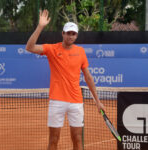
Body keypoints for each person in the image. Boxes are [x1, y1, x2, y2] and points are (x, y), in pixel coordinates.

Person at [26, 9, 104, 150]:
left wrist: (98, 101)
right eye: (68, 33)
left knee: (78, 140)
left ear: (76, 36)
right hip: (57, 101)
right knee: (53, 140)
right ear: (63, 34)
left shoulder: (80, 51)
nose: (71, 36)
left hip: (76, 102)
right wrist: (40, 27)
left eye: (73, 34)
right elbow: (29, 47)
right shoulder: (52, 49)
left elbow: (88, 77)